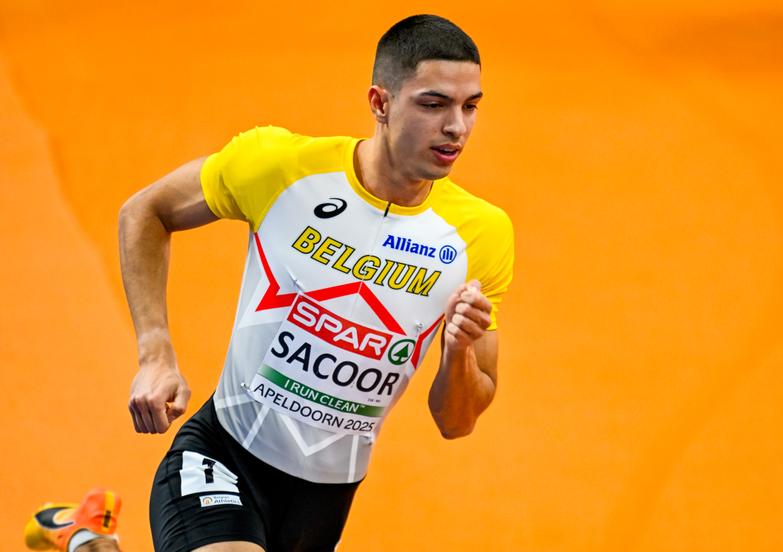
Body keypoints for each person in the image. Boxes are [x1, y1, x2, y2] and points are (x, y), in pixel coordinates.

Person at [119, 14, 514, 552]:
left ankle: (85, 540)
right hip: (223, 456)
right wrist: (155, 353)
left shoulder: (481, 236)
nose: (456, 127)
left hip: (323, 504)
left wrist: (459, 351)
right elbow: (146, 211)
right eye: (433, 104)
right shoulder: (281, 167)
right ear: (379, 103)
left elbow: (457, 422)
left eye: (470, 106)